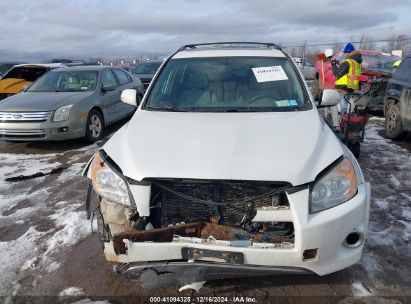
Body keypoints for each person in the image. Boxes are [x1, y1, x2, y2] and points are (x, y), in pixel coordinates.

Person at [331, 43, 362, 114]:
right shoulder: (357, 62)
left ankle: (342, 119)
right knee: (349, 105)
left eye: (346, 53)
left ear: (349, 52)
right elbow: (350, 70)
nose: (346, 55)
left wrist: (333, 66)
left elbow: (337, 74)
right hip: (351, 86)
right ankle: (348, 117)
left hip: (343, 86)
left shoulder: (348, 62)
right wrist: (340, 63)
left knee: (342, 106)